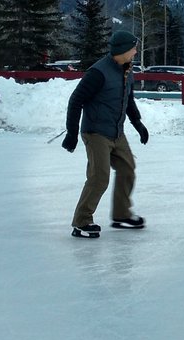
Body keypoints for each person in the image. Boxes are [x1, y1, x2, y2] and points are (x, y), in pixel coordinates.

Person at [61, 30, 150, 238]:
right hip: (96, 132)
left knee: (128, 169)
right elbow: (75, 101)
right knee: (99, 177)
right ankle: (81, 221)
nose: (136, 52)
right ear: (123, 50)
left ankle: (121, 214)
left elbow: (128, 99)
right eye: (134, 48)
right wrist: (72, 134)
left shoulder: (127, 70)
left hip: (116, 131)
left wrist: (138, 124)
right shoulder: (98, 72)